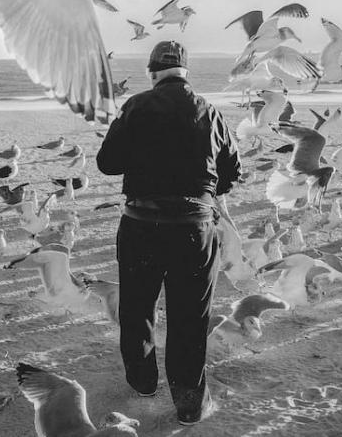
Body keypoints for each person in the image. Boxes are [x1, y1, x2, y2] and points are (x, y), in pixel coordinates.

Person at [96, 40, 241, 426]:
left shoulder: (136, 106)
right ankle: (190, 406)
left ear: (152, 71)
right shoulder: (210, 111)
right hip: (194, 228)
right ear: (185, 71)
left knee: (138, 308)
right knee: (190, 318)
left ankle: (143, 383)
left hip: (141, 224)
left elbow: (107, 163)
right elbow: (231, 172)